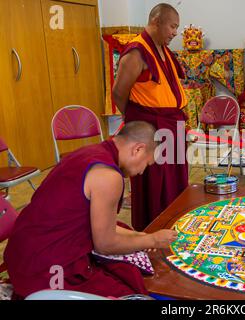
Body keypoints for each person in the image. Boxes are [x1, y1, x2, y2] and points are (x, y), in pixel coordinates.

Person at [4, 121, 178, 299]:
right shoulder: (109, 177)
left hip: (20, 252)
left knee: (124, 232)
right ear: (138, 149)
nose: (141, 172)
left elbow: (90, 223)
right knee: (130, 293)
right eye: (146, 164)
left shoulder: (89, 152)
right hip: (45, 268)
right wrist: (153, 241)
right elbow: (105, 245)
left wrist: (138, 237)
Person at [112, 3, 188, 231]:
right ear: (156, 21)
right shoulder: (137, 51)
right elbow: (118, 92)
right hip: (151, 127)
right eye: (173, 26)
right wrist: (137, 118)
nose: (175, 32)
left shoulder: (162, 49)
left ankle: (175, 223)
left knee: (175, 180)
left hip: (171, 124)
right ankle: (152, 231)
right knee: (155, 182)